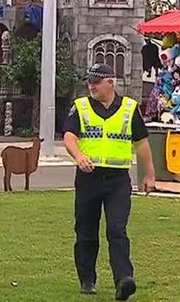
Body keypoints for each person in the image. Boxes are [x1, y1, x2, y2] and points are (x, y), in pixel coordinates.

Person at [63, 63, 156, 301]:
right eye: (89, 82)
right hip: (88, 179)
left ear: (110, 83)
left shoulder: (129, 108)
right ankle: (87, 279)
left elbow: (142, 143)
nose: (91, 86)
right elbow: (70, 136)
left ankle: (124, 280)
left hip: (117, 180)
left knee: (117, 230)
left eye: (96, 81)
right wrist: (79, 156)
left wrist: (150, 174)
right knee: (86, 232)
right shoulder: (80, 107)